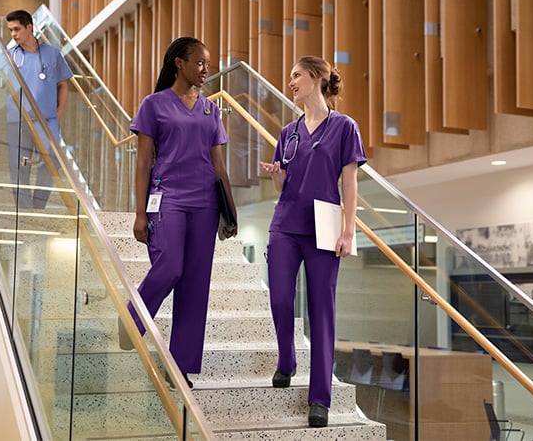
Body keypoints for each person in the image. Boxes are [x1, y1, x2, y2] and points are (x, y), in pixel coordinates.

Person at [120, 37, 237, 389]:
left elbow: (219, 165)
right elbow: (143, 161)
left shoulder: (210, 110)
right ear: (179, 63)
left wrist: (229, 213)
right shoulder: (153, 105)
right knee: (170, 266)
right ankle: (132, 320)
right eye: (200, 63)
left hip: (205, 204)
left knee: (195, 284)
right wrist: (140, 213)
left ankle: (181, 365)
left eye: (208, 64)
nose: (206, 70)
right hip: (168, 198)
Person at [259, 56, 366, 428]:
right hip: (285, 224)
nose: (290, 82)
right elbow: (281, 184)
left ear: (317, 78)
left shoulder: (344, 127)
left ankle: (319, 398)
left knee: (322, 312)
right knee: (278, 299)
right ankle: (286, 359)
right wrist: (276, 175)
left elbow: (349, 183)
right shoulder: (287, 132)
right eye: (289, 77)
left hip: (324, 227)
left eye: (296, 76)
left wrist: (348, 229)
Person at [6, 9, 73, 209]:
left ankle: (39, 204)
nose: (13, 34)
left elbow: (63, 85)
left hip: (47, 120)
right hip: (17, 120)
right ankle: (24, 210)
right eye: (10, 30)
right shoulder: (10, 57)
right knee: (19, 165)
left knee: (52, 159)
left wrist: (59, 114)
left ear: (29, 27)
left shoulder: (52, 54)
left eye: (17, 29)